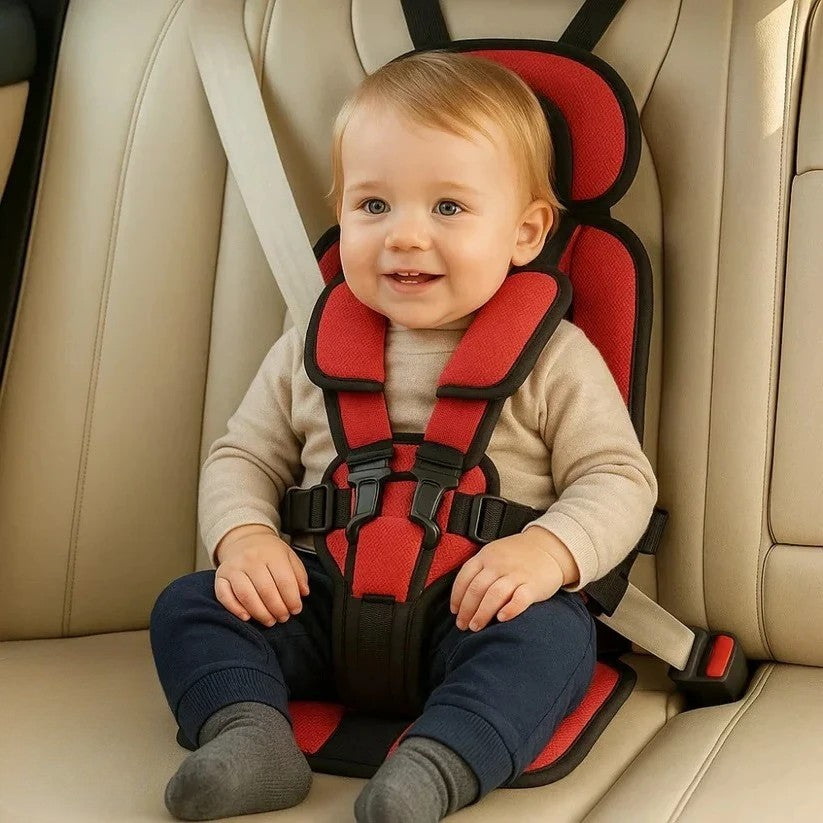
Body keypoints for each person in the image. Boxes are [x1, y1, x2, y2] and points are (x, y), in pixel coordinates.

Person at [150, 51, 657, 822]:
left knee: (553, 640)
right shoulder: (308, 346)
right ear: (342, 212)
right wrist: (245, 536)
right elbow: (242, 456)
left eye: (447, 207)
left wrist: (546, 552)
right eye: (373, 205)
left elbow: (618, 477)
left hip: (474, 610)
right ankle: (249, 734)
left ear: (524, 232)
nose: (405, 236)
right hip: (320, 601)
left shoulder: (554, 356)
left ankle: (435, 766)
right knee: (191, 604)